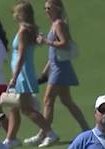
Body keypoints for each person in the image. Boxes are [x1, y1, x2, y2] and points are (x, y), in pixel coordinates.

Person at [4, 0, 58, 149]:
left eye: (16, 12)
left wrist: (14, 77)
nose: (13, 15)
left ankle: (50, 133)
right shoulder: (27, 29)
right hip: (22, 72)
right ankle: (11, 138)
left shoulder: (23, 31)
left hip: (22, 74)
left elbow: (21, 56)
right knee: (14, 106)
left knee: (26, 109)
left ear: (21, 14)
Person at [35, 0, 89, 132]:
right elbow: (53, 54)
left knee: (48, 99)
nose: (46, 11)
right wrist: (45, 72)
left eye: (49, 8)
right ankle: (86, 129)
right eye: (45, 8)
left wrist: (46, 41)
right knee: (66, 101)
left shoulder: (58, 24)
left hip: (60, 69)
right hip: (56, 67)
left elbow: (64, 43)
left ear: (57, 9)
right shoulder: (54, 24)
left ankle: (46, 133)